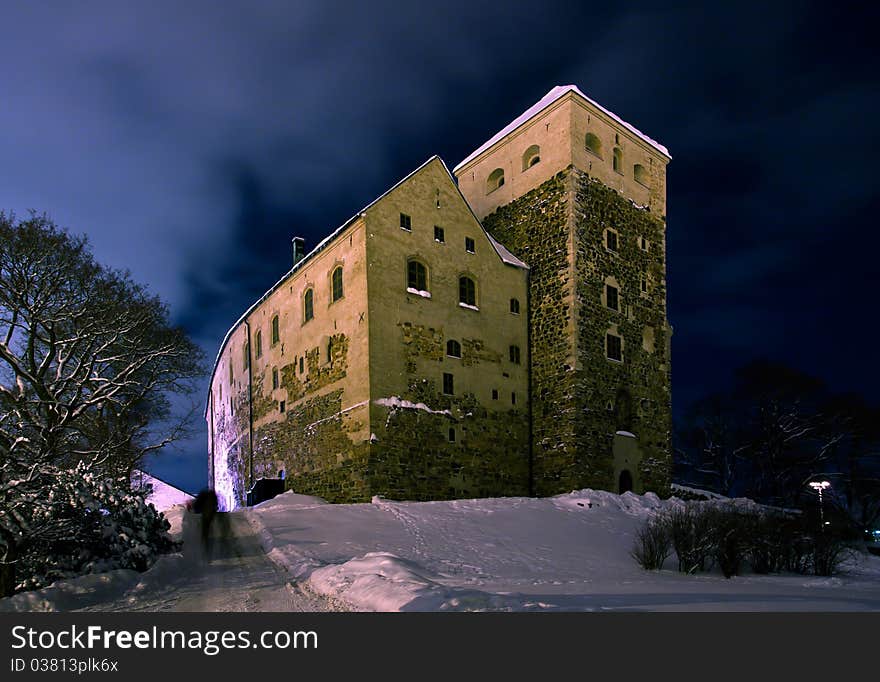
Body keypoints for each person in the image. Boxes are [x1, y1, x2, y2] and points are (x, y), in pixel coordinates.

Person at [192, 488, 219, 561]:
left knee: (204, 535)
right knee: (207, 535)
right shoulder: (211, 497)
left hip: (204, 518)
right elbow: (215, 506)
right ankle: (207, 554)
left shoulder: (203, 496)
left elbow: (196, 507)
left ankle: (204, 554)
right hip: (208, 518)